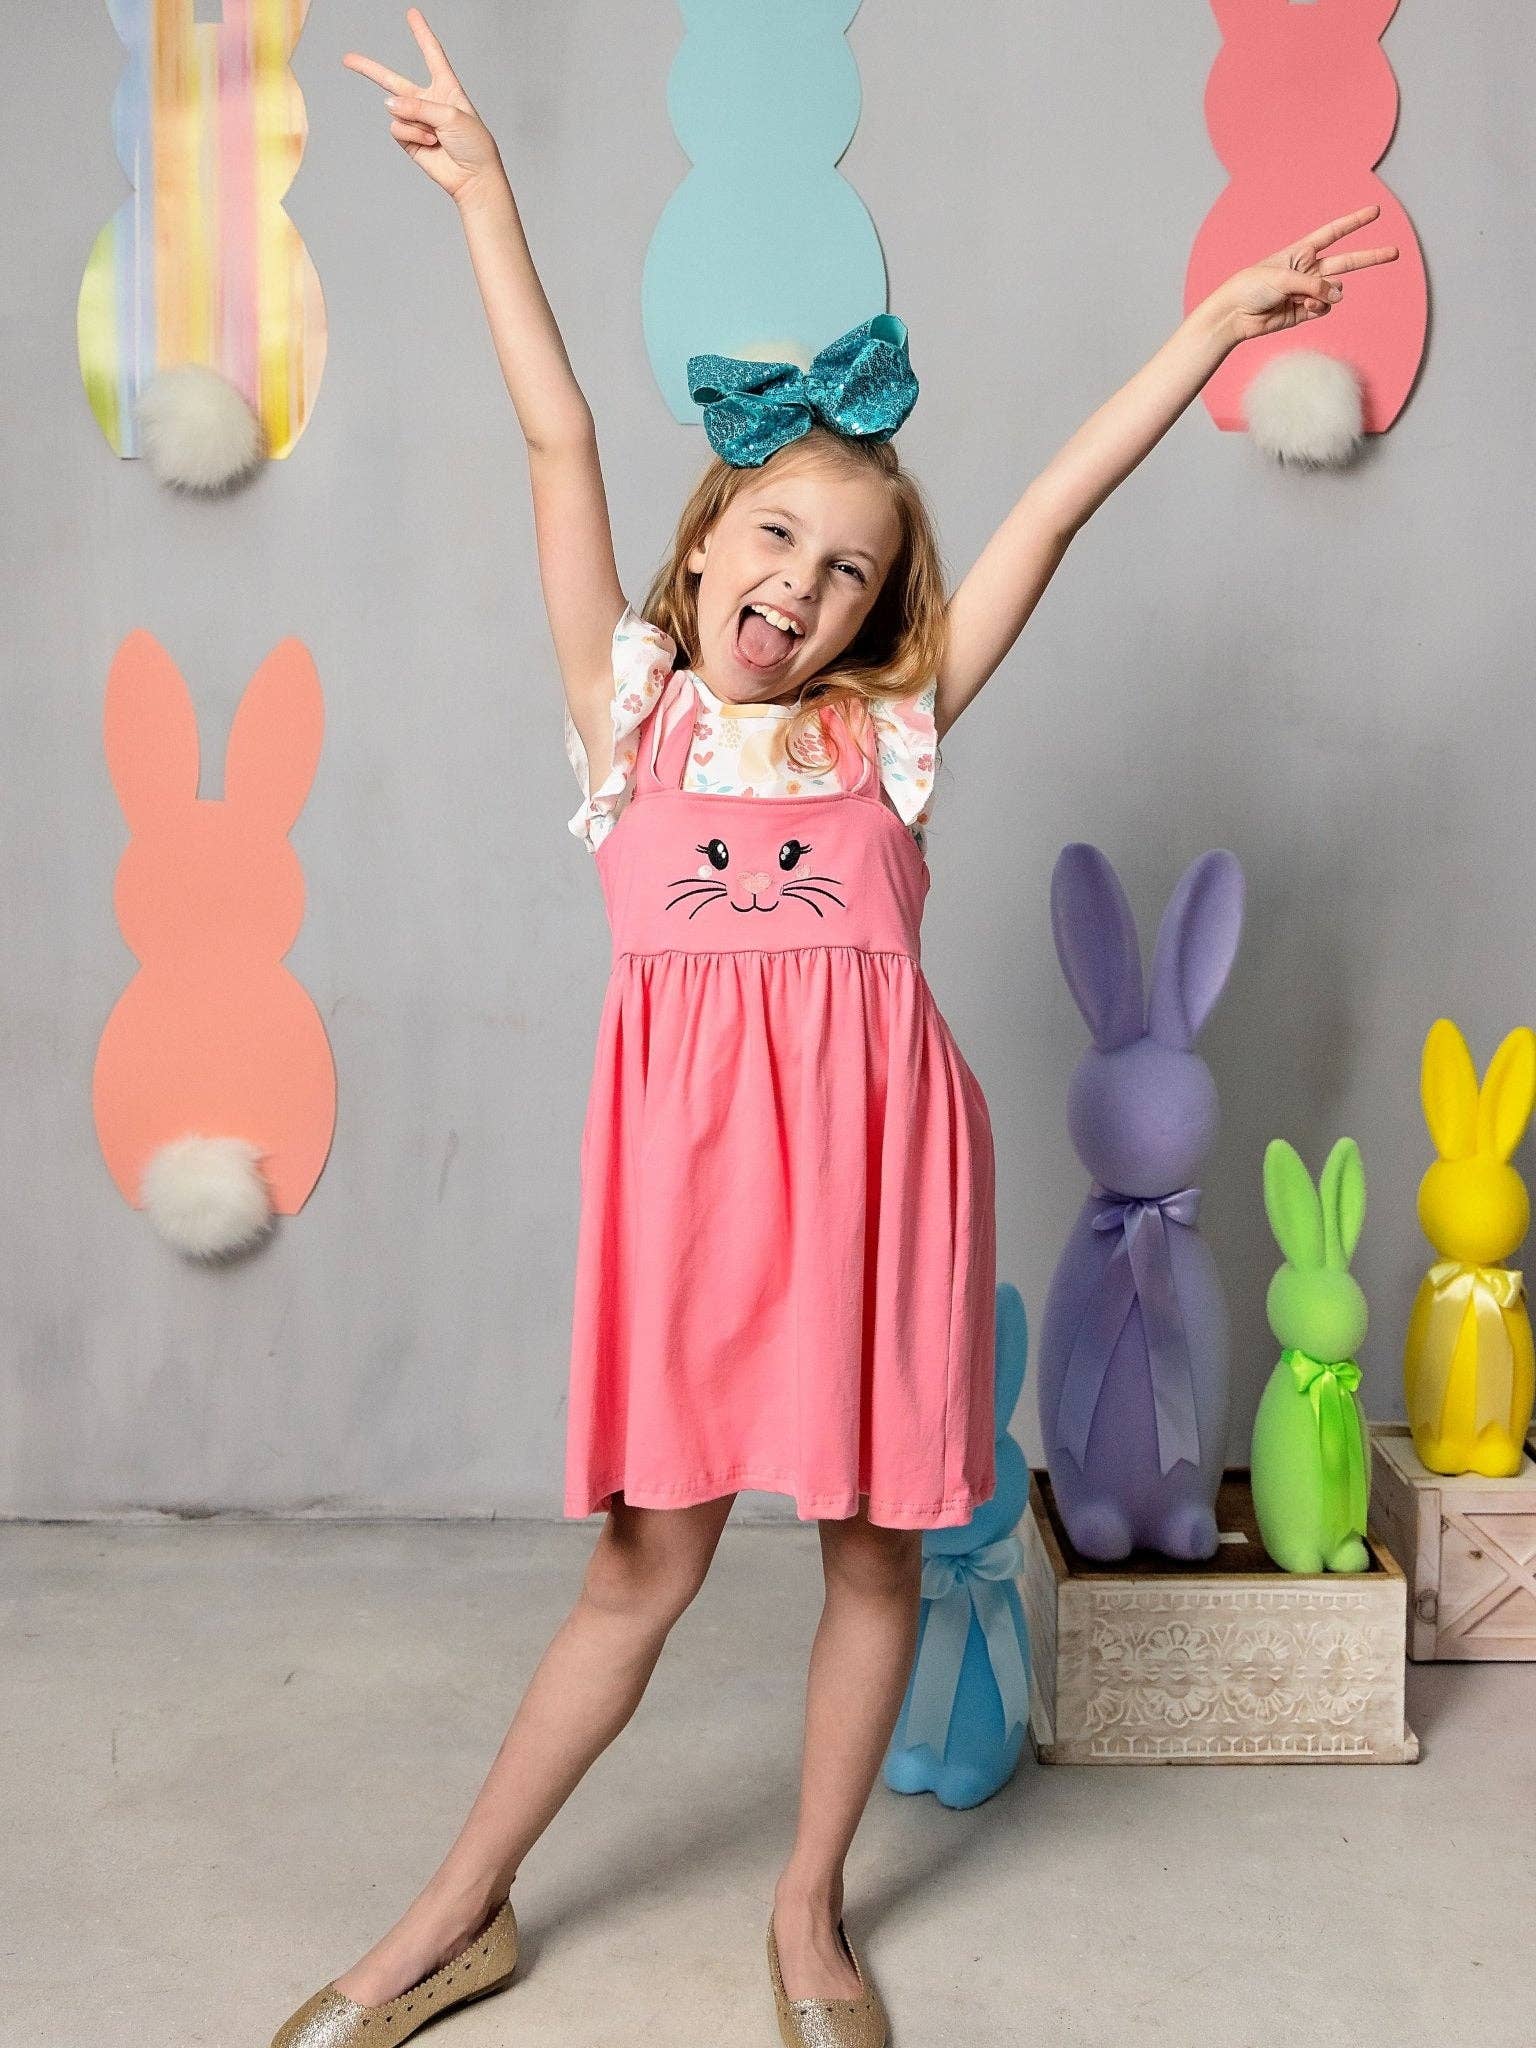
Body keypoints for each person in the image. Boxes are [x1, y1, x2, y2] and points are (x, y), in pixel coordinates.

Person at [269, 12, 1398, 2045]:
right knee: (646, 1570)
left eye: (852, 569)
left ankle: (809, 1915)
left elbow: (1050, 509)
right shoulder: (627, 717)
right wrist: (489, 201)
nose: (804, 580)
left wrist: (1213, 329)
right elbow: (556, 441)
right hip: (694, 1207)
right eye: (778, 534)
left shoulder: (889, 737)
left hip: (881, 1193)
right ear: (708, 541)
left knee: (873, 1557)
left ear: (881, 616)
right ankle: (451, 1911)